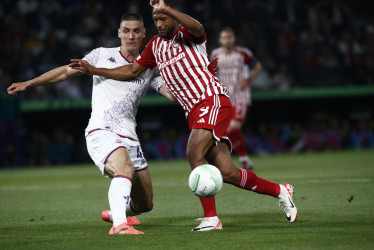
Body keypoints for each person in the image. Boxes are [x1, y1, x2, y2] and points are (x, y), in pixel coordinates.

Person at [70, 0, 298, 232]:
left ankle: (211, 218)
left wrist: (167, 8)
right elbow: (131, 71)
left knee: (193, 152)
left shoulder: (188, 35)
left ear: (173, 17)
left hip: (212, 100)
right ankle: (281, 191)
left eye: (164, 18)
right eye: (156, 19)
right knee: (227, 172)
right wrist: (95, 70)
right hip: (194, 111)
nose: (159, 23)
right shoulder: (155, 46)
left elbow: (199, 28)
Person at [8, 13, 176, 235]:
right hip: (102, 131)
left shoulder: (149, 66)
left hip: (130, 138)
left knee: (146, 204)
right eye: (126, 30)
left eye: (136, 31)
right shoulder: (101, 55)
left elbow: (171, 93)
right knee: (123, 167)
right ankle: (119, 226)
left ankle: (115, 212)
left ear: (144, 34)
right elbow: (65, 72)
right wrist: (30, 83)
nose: (131, 36)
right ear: (119, 33)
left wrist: (197, 81)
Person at [211, 27, 263, 170]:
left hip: (241, 97)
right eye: (224, 38)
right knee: (226, 131)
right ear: (220, 40)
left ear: (233, 39)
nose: (227, 40)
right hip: (225, 97)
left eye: (229, 37)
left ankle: (244, 159)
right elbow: (210, 71)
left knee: (233, 129)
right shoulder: (215, 54)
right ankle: (243, 159)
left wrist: (248, 80)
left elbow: (257, 66)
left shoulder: (242, 53)